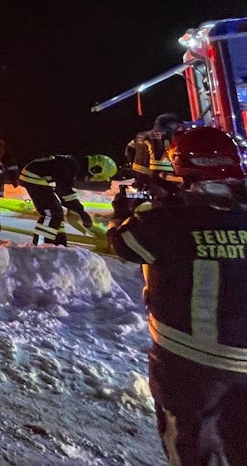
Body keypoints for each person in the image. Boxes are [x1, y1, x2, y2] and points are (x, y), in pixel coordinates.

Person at [107, 126, 247, 465]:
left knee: (191, 447)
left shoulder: (167, 221)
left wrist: (125, 213)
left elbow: (123, 244)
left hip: (189, 359)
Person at [19, 153, 117, 246]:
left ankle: (59, 243)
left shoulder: (72, 165)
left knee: (57, 212)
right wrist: (81, 212)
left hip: (36, 176)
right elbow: (64, 192)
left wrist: (78, 210)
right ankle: (40, 245)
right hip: (33, 177)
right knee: (51, 213)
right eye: (94, 177)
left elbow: (65, 191)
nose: (89, 179)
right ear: (95, 170)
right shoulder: (71, 166)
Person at [125, 112, 186, 202]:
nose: (181, 127)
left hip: (139, 173)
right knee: (172, 198)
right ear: (170, 124)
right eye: (177, 124)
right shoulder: (168, 135)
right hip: (159, 173)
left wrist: (133, 164)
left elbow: (129, 149)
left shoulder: (141, 135)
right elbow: (168, 154)